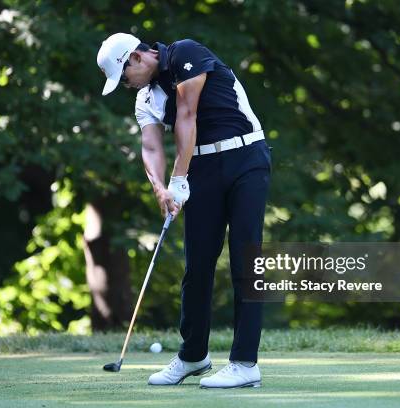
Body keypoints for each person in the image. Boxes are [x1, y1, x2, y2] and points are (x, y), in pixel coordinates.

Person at [96, 32, 271, 389]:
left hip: (245, 158)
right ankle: (193, 357)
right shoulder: (145, 98)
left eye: (124, 77)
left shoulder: (185, 53)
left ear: (136, 59)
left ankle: (244, 363)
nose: (126, 85)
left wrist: (178, 177)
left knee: (245, 259)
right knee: (197, 265)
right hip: (202, 169)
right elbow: (149, 146)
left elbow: (187, 115)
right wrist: (161, 188)